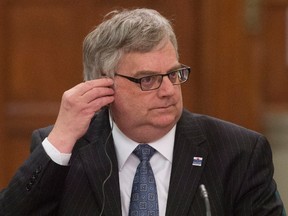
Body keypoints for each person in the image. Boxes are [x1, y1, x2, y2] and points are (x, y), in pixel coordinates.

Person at [0, 8, 285, 216]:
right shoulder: (67, 150)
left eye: (173, 74)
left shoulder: (239, 151)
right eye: (147, 79)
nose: (169, 91)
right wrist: (61, 141)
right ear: (103, 84)